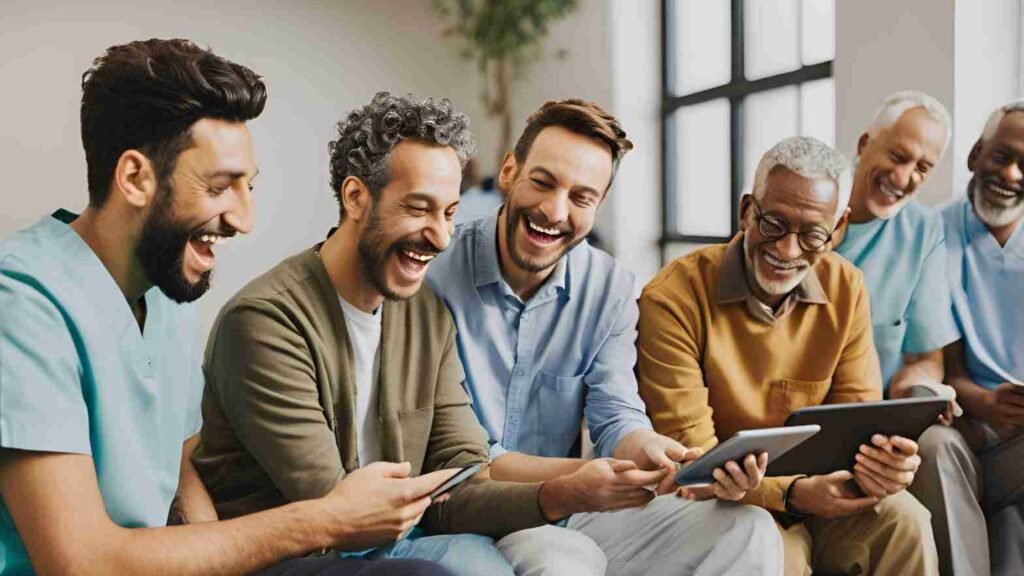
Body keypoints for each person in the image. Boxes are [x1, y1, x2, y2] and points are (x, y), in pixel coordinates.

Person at [0, 40, 453, 576]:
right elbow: (81, 562)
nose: (244, 218)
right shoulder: (24, 304)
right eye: (220, 187)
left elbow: (179, 466)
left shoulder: (166, 286)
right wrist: (323, 520)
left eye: (249, 186)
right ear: (135, 178)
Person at [191, 92, 631, 576]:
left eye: (449, 213)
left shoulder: (424, 315)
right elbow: (337, 511)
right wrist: (444, 493)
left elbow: (462, 475)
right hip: (298, 556)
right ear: (356, 197)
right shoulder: (265, 321)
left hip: (394, 540)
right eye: (420, 209)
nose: (442, 238)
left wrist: (561, 493)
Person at [426, 98, 783, 576]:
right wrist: (580, 477)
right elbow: (453, 453)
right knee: (566, 560)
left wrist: (659, 454)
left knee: (747, 528)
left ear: (598, 205)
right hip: (463, 511)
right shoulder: (433, 274)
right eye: (543, 182)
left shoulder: (610, 287)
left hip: (567, 508)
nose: (554, 211)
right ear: (509, 172)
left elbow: (615, 413)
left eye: (581, 197)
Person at [637, 136, 938, 576]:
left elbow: (858, 420)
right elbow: (693, 460)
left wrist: (885, 465)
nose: (786, 249)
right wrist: (792, 493)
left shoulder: (847, 289)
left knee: (906, 520)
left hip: (822, 490)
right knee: (778, 551)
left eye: (813, 233)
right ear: (746, 211)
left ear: (837, 230)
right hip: (723, 502)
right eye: (773, 223)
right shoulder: (672, 297)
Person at [910, 99, 1024, 576]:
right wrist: (977, 401)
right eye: (1003, 156)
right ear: (977, 154)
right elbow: (936, 348)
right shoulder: (931, 230)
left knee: (1010, 523)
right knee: (935, 448)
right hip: (961, 415)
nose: (1013, 175)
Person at [833, 91, 959, 400]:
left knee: (940, 443)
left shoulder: (923, 230)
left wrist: (918, 392)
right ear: (864, 145)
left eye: (922, 168)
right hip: (786, 404)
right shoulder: (812, 202)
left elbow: (925, 359)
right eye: (897, 157)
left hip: (871, 414)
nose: (903, 178)